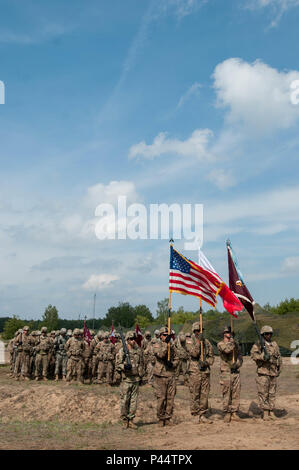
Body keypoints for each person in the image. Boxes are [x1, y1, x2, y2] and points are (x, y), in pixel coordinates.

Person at [250, 325, 282, 421]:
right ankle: (265, 412)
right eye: (266, 334)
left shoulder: (274, 344)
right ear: (263, 334)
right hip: (263, 372)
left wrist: (279, 368)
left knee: (272, 392)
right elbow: (253, 355)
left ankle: (271, 411)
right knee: (263, 393)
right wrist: (263, 356)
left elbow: (279, 357)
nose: (268, 335)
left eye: (270, 333)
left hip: (273, 372)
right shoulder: (258, 344)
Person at [185, 322, 214, 424]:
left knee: (204, 394)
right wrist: (198, 343)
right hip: (194, 371)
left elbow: (211, 357)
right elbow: (194, 353)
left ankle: (203, 414)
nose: (199, 333)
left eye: (201, 331)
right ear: (194, 331)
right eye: (197, 331)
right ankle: (195, 414)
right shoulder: (189, 341)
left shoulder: (207, 342)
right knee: (195, 393)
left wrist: (206, 362)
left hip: (205, 371)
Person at [115, 331, 144, 429]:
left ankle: (131, 420)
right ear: (127, 340)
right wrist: (124, 366)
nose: (133, 341)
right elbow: (117, 364)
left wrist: (141, 376)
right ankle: (124, 420)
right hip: (126, 379)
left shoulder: (138, 350)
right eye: (131, 339)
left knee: (133, 402)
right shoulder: (122, 350)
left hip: (135, 379)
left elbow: (141, 363)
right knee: (124, 401)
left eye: (134, 339)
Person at [152, 327, 179, 427]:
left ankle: (168, 418)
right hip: (160, 375)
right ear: (160, 336)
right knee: (161, 398)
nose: (166, 337)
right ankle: (161, 418)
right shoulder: (156, 345)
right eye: (164, 335)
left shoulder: (172, 346)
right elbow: (161, 355)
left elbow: (177, 358)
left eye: (168, 335)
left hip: (170, 374)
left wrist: (172, 364)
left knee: (170, 398)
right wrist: (166, 344)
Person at [217, 326, 243, 423]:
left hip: (235, 371)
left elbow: (240, 355)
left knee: (236, 392)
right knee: (226, 392)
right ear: (224, 333)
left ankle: (234, 412)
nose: (229, 333)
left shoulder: (235, 344)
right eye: (227, 332)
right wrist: (232, 343)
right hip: (226, 372)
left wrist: (238, 364)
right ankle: (227, 412)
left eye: (230, 332)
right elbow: (226, 350)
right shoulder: (220, 344)